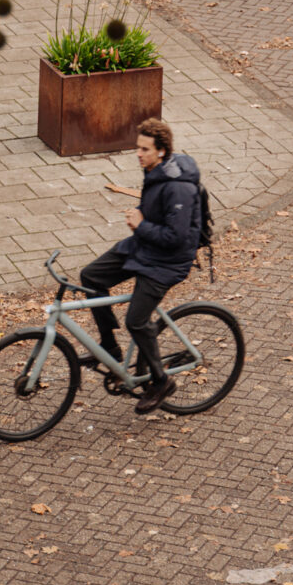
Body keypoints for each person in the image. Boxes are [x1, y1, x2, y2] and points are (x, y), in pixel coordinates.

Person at [80, 117, 202, 415]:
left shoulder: (179, 189)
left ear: (161, 151)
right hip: (145, 248)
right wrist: (143, 225)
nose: (138, 153)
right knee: (90, 276)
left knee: (136, 320)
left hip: (168, 262)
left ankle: (161, 382)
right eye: (137, 147)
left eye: (144, 149)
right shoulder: (154, 171)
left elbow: (176, 238)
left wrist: (141, 224)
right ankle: (109, 347)